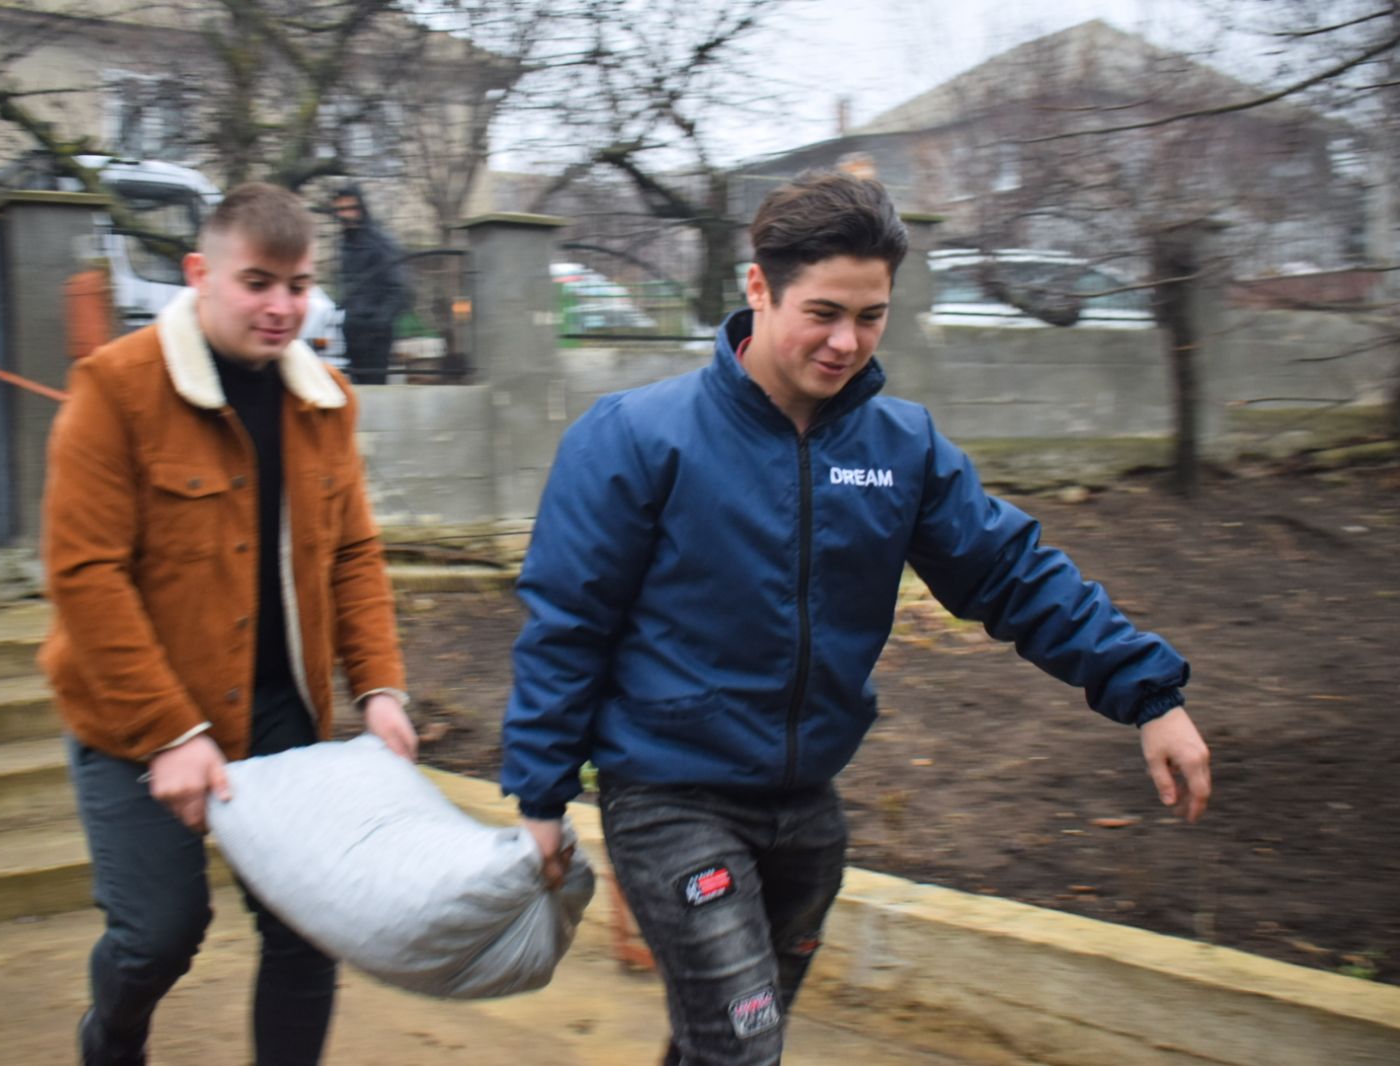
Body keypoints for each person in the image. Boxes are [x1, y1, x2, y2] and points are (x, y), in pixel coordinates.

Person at [500, 171, 1212, 1065]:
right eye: (824, 313)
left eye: (871, 317)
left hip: (807, 807)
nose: (847, 342)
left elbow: (1012, 574)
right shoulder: (636, 437)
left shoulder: (900, 447)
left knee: (725, 1040)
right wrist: (542, 798)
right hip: (669, 799)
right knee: (743, 1042)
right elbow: (567, 626)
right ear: (759, 288)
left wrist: (1149, 694)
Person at [40, 181, 416, 1066]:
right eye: (258, 283)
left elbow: (353, 554)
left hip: (280, 715)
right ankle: (110, 1040)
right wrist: (171, 732)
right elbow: (85, 575)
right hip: (134, 717)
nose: (283, 307)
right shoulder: (115, 389)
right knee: (160, 935)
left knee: (307, 930)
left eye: (299, 285)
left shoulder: (326, 399)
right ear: (200, 273)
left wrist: (380, 687)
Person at [332, 184, 410, 385]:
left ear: (360, 208)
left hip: (375, 336)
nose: (345, 214)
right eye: (340, 209)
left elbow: (399, 288)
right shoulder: (344, 244)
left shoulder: (380, 241)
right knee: (356, 390)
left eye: (350, 208)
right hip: (351, 330)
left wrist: (379, 324)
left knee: (374, 388)